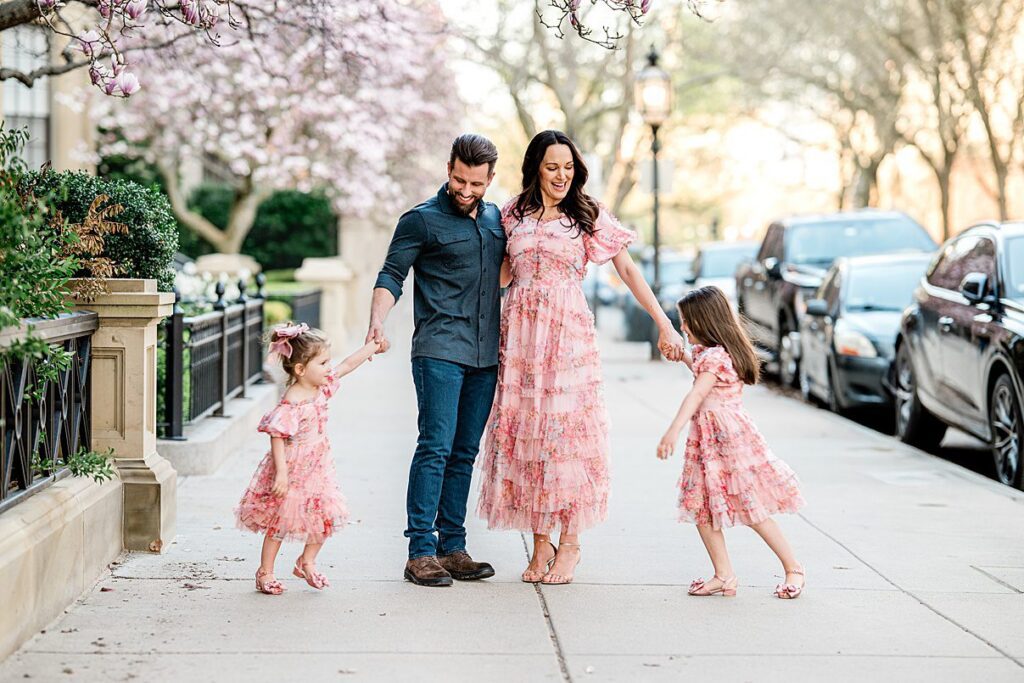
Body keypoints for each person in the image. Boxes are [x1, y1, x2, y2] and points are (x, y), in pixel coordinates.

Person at [476, 130, 686, 585]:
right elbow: (500, 273)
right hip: (520, 337)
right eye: (553, 167)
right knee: (528, 435)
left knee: (565, 438)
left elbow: (627, 270)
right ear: (536, 168)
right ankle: (540, 543)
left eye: (568, 168)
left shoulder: (587, 214)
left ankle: (569, 543)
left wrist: (664, 322)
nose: (562, 176)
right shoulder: (512, 213)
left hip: (566, 336)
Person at [368, 134, 504, 587]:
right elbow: (391, 273)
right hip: (439, 349)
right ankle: (420, 551)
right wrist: (377, 323)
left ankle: (453, 546)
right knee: (436, 446)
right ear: (448, 168)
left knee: (465, 452)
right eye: (460, 180)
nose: (467, 191)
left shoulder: (495, 219)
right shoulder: (421, 221)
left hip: (485, 354)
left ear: (490, 179)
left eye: (477, 184)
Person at [657, 286, 806, 599]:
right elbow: (700, 371)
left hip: (729, 441)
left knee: (752, 507)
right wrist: (683, 355)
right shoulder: (710, 354)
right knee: (701, 506)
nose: (682, 327)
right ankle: (723, 575)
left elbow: (699, 392)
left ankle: (794, 567)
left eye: (686, 321)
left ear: (705, 321)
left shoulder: (717, 357)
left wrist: (673, 429)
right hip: (707, 443)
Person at [236, 322, 380, 595]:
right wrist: (281, 473)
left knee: (325, 516)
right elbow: (277, 435)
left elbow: (348, 365)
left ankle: (306, 561)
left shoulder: (321, 387)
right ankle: (265, 571)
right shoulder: (293, 400)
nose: (329, 368)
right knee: (279, 521)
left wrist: (374, 346)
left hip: (318, 468)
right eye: (323, 363)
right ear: (301, 370)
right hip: (292, 469)